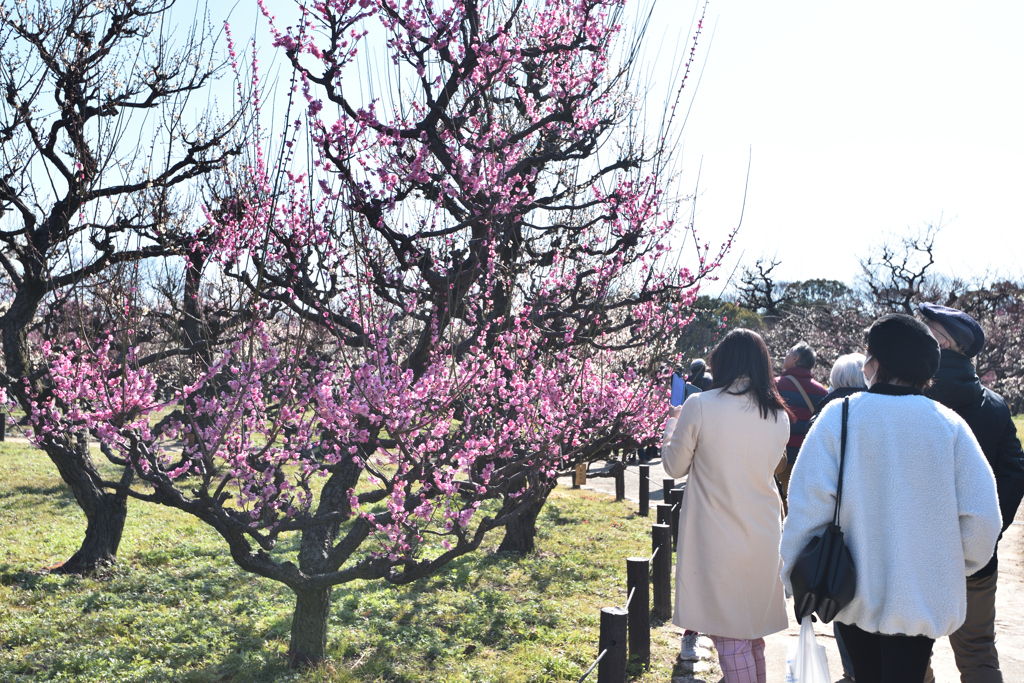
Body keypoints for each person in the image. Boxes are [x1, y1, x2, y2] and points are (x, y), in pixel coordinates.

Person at [780, 314, 1002, 683]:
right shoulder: (950, 426)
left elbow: (807, 505)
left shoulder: (840, 415)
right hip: (920, 600)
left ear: (877, 363)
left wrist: (793, 575)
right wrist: (948, 566)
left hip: (848, 592)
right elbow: (983, 520)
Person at [662, 329, 791, 683]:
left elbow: (674, 467)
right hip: (764, 533)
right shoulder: (778, 415)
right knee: (750, 634)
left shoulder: (700, 405)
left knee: (729, 637)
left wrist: (672, 422)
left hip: (718, 536)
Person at [918, 303, 1024, 683]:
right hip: (977, 556)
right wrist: (990, 527)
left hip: (917, 554)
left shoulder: (912, 400)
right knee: (979, 653)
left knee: (911, 652)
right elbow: (1015, 472)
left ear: (942, 343)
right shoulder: (996, 407)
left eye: (927, 332)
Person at [811, 352, 868, 683]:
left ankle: (851, 670)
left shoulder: (828, 411)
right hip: (869, 517)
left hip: (837, 523)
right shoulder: (876, 408)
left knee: (840, 595)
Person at [775, 342, 828, 496]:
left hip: (782, 460)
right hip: (808, 461)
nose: (785, 355)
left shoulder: (775, 385)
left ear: (795, 358)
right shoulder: (822, 392)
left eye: (788, 352)